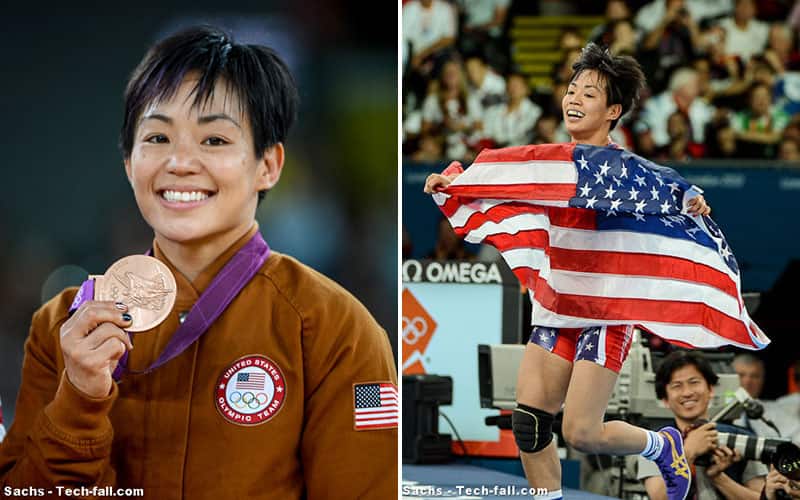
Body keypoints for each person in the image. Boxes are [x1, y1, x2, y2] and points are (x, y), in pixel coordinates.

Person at [0, 26, 397, 499]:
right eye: (158, 136)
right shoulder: (62, 327)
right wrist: (79, 401)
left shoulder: (340, 331)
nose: (180, 162)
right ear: (129, 162)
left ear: (268, 164)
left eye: (214, 140)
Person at [425, 43, 719, 500]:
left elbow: (667, 185)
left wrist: (690, 200)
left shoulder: (624, 171)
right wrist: (457, 182)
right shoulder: (550, 162)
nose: (574, 99)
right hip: (557, 303)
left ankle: (662, 445)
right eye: (571, 89)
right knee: (528, 425)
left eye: (589, 93)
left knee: (581, 431)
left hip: (605, 312)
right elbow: (506, 171)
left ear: (613, 110)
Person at [638, 350, 767, 499]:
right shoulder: (654, 443)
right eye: (677, 386)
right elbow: (660, 497)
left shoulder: (740, 438)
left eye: (694, 382)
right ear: (665, 399)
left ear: (710, 389)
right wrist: (688, 452)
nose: (687, 392)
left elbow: (761, 497)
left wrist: (718, 477)